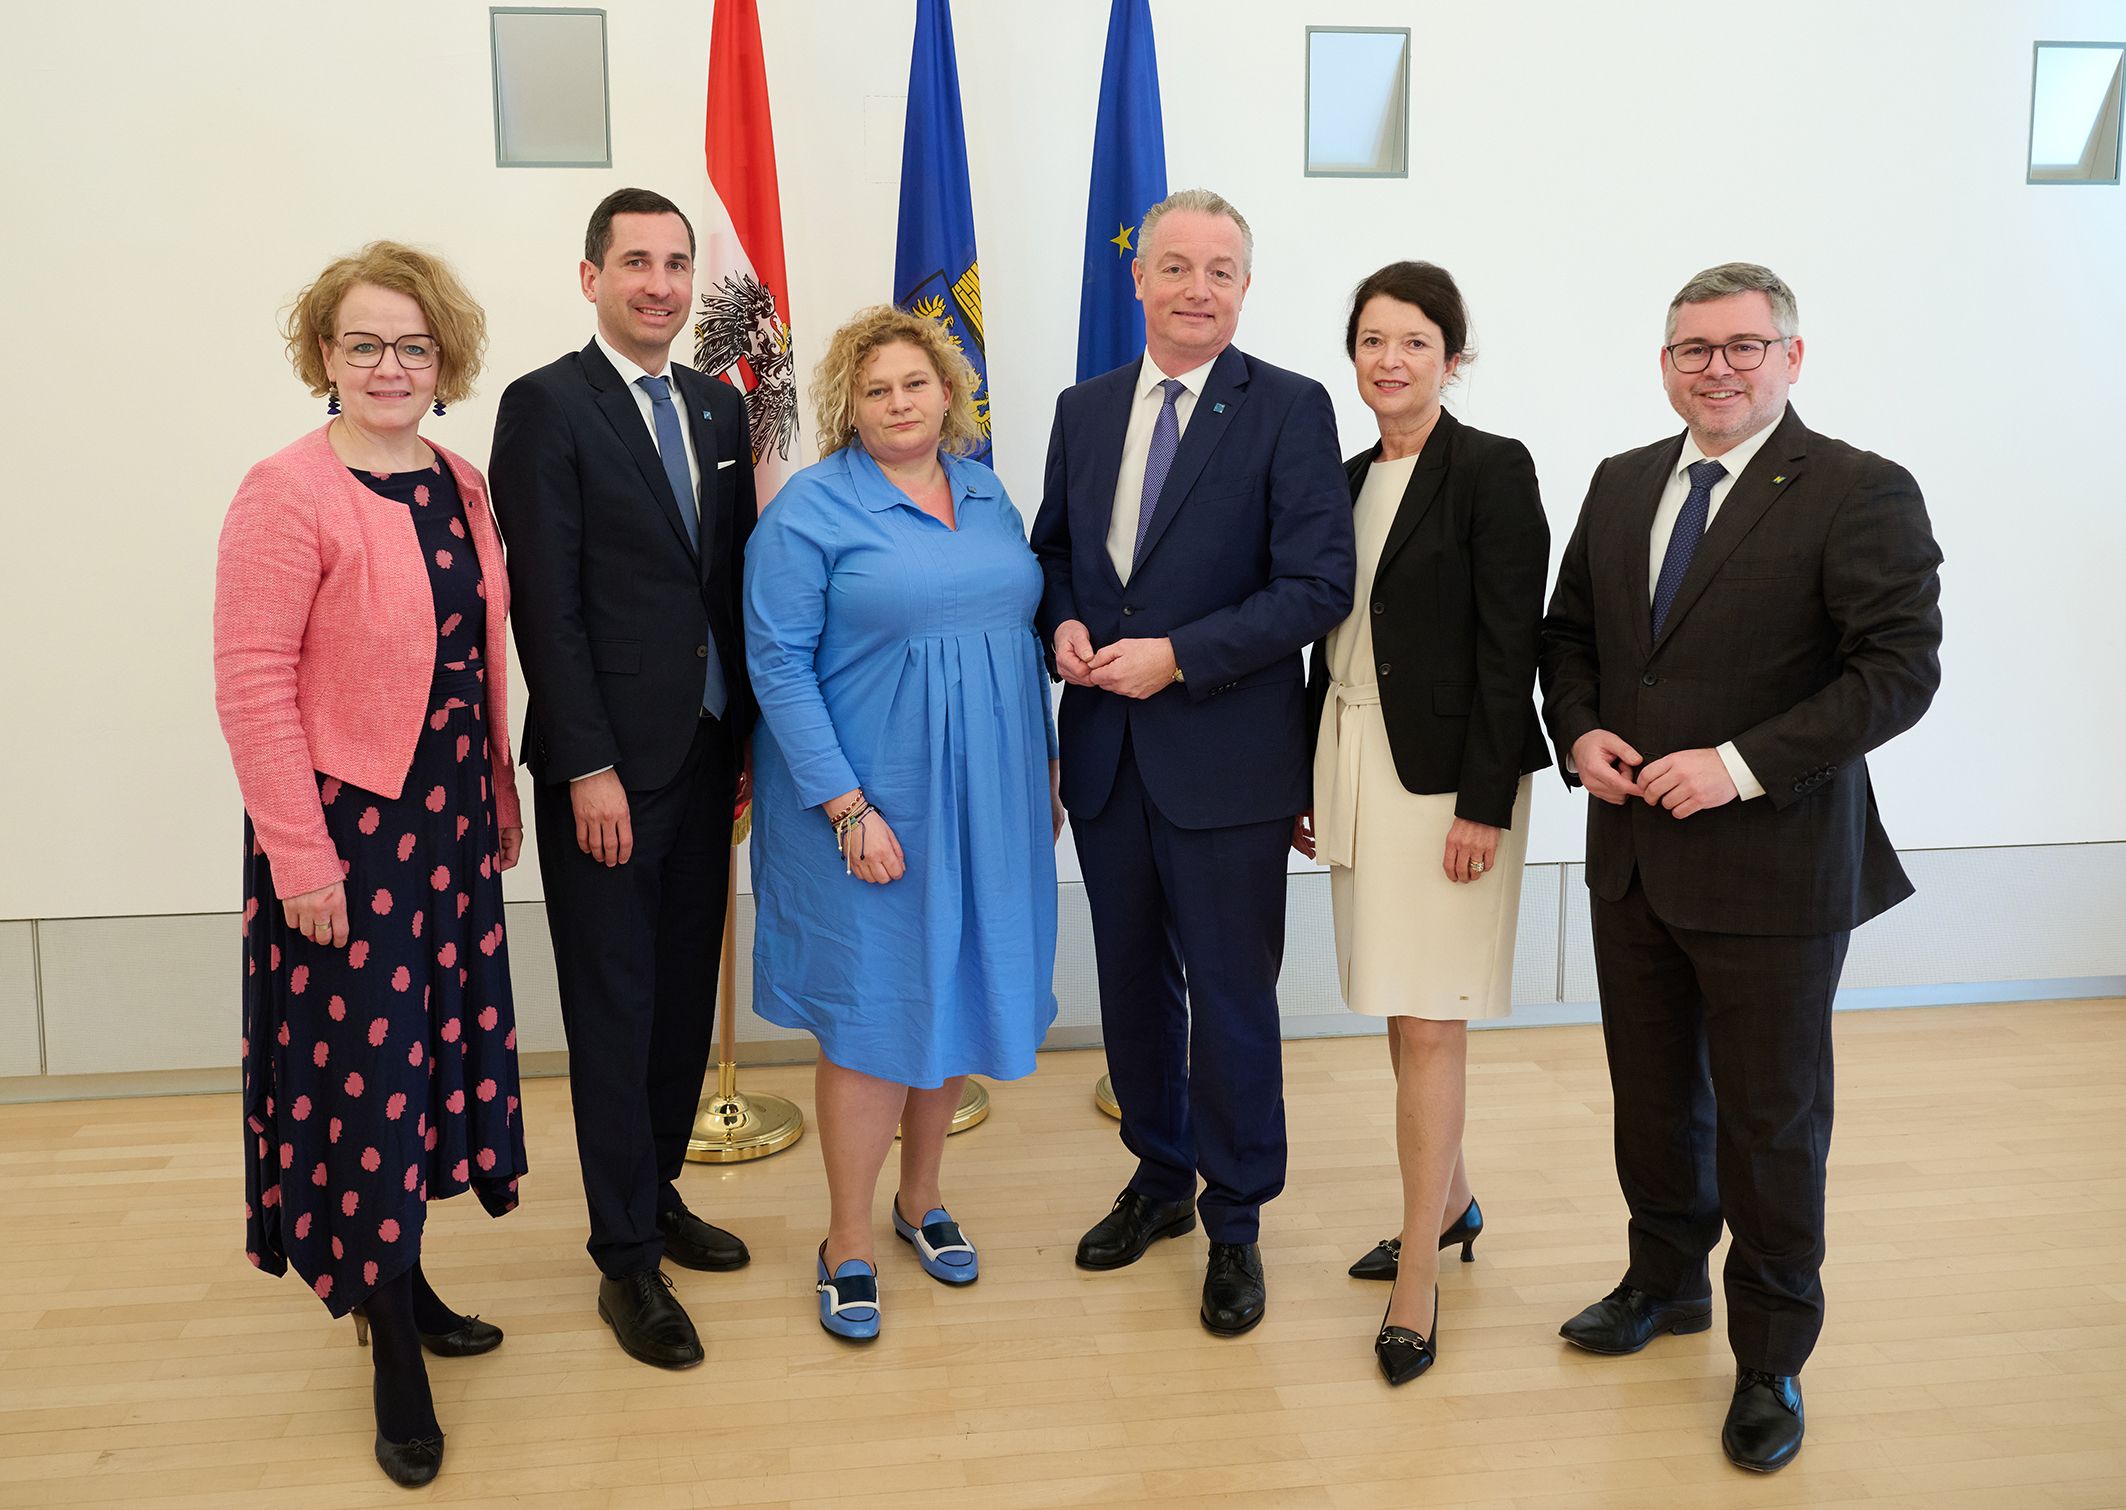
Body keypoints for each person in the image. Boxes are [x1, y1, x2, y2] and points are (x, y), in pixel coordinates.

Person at [1540, 263, 1943, 1472]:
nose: (1714, 368)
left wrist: (1737, 763)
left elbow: (1894, 672)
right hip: (1634, 860)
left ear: (1790, 357)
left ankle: (1770, 1357)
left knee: (1773, 1124)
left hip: (1772, 866)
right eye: (1690, 349)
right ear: (1662, 362)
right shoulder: (1619, 484)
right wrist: (1579, 732)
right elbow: (1569, 640)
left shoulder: (1857, 490)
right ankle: (1664, 1282)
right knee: (1653, 1097)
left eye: (1740, 346)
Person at [214, 241, 526, 1488]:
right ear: (324, 357)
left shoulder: (459, 479)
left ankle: (404, 1276)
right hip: (345, 839)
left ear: (441, 359)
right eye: (363, 345)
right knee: (362, 1082)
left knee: (424, 1064)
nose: (390, 366)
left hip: (448, 823)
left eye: (412, 346)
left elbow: (473, 653)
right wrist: (302, 854)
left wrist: (496, 785)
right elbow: (249, 685)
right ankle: (390, 1340)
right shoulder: (285, 491)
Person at [1031, 188, 1355, 1336]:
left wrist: (1178, 656)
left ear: (1245, 287)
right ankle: (1160, 1178)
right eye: (1175, 267)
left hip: (1225, 759)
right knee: (1131, 987)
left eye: (1220, 270)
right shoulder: (1084, 407)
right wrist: (1059, 623)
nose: (1196, 289)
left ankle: (1236, 1220)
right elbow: (1056, 555)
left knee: (1228, 999)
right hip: (1108, 760)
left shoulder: (1289, 408)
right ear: (1138, 279)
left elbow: (1317, 587)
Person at [745, 305, 1061, 1343]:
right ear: (849, 401)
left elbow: (1014, 634)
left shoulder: (985, 489)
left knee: (959, 990)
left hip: (991, 799)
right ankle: (844, 1240)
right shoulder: (809, 509)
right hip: (869, 810)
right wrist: (846, 805)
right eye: (876, 388)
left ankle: (918, 1199)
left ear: (945, 393)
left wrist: (1045, 764)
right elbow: (777, 664)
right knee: (877, 1018)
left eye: (913, 384)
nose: (897, 403)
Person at [488, 188, 756, 1371]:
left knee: (682, 998)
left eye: (676, 263)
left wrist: (743, 742)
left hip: (704, 756)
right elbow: (543, 602)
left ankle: (659, 1199)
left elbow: (727, 590)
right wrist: (586, 761)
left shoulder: (715, 406)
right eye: (635, 262)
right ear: (589, 273)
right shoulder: (545, 406)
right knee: (614, 1006)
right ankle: (623, 1262)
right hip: (604, 769)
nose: (659, 283)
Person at [1295, 262, 1551, 1384]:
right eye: (1368, 341)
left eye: (1411, 340)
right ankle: (1447, 1203)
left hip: (1447, 781)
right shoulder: (1342, 478)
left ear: (1452, 355)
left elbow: (1512, 648)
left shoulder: (1491, 471)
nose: (1386, 360)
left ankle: (1416, 1270)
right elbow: (1325, 639)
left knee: (1433, 1018)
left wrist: (1484, 802)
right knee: (1398, 1011)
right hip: (1351, 759)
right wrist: (1305, 777)